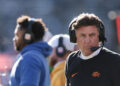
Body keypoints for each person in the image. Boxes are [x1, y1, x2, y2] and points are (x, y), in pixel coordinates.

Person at [65, 13, 120, 86]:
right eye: (83, 35)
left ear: (100, 37)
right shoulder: (71, 59)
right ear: (75, 38)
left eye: (92, 35)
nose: (87, 40)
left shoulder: (115, 61)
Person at [9, 15, 52, 86]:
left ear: (27, 37)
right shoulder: (37, 56)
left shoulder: (30, 58)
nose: (14, 39)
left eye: (17, 35)